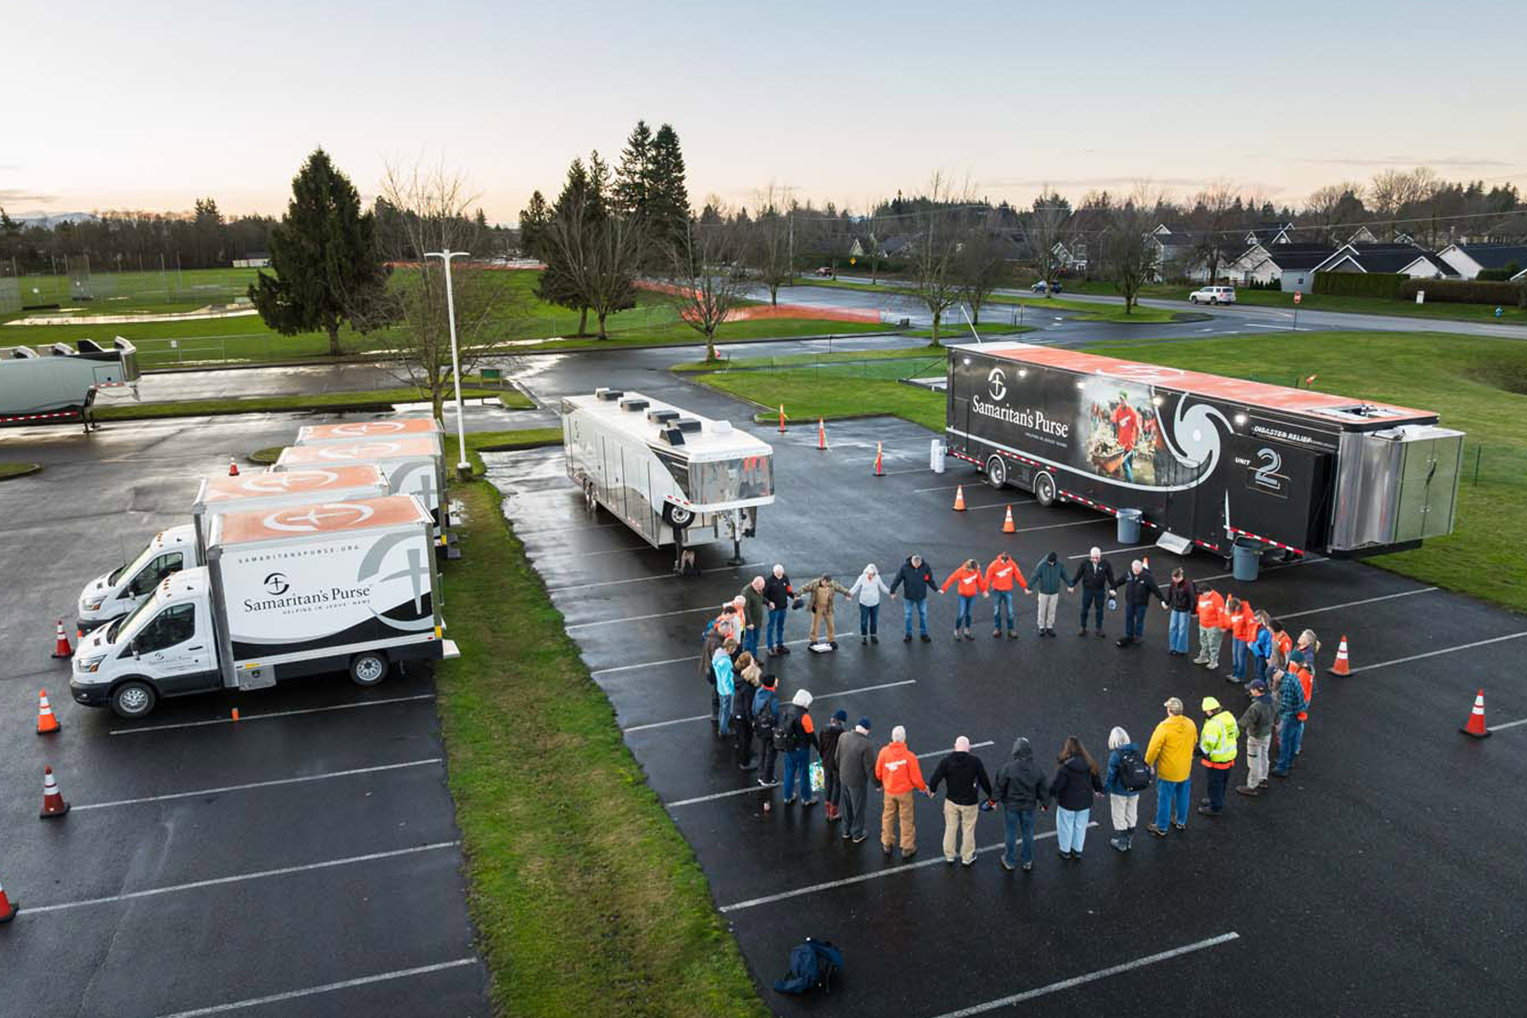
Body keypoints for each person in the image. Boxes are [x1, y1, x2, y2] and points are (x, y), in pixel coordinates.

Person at [926, 736, 993, 866]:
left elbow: (936, 777)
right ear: (969, 748)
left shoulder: (947, 761)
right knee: (968, 829)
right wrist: (992, 798)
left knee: (951, 827)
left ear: (954, 746)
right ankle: (967, 857)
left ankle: (949, 855)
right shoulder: (975, 762)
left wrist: (932, 790)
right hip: (970, 802)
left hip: (951, 801)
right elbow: (984, 781)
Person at [993, 737, 1050, 871]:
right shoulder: (1037, 769)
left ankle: (1009, 860)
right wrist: (1045, 803)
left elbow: (999, 786)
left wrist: (993, 801)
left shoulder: (1008, 768)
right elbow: (1044, 788)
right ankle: (1027, 860)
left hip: (1011, 807)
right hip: (1029, 807)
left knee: (1011, 833)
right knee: (1028, 833)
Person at [1145, 697, 1197, 837]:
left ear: (1169, 711)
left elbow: (1153, 749)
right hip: (1185, 769)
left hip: (1168, 771)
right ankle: (1181, 821)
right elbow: (1194, 741)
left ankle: (1161, 827)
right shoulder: (1190, 724)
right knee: (1183, 796)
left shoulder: (1164, 727)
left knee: (1165, 799)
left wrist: (1148, 764)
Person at [1271, 630, 1319, 778]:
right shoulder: (1306, 670)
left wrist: (1285, 712)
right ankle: (1289, 759)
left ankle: (1282, 766)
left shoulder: (1300, 676)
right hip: (1299, 711)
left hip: (1294, 710)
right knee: (1292, 735)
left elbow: (1296, 696)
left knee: (1286, 738)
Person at [875, 725, 926, 858]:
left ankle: (887, 843)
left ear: (892, 737)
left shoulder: (884, 752)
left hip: (889, 791)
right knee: (906, 819)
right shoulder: (910, 757)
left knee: (888, 817)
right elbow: (916, 778)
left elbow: (878, 772)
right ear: (904, 739)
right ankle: (907, 847)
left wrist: (883, 781)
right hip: (905, 793)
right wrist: (923, 788)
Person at [1050, 736, 1103, 860]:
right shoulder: (1090, 764)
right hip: (1084, 803)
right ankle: (1077, 850)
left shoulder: (1065, 768)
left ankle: (1065, 850)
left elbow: (1057, 786)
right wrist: (1099, 790)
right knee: (1080, 826)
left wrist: (1048, 796)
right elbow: (1097, 781)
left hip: (1066, 803)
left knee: (1065, 826)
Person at [835, 718, 877, 844]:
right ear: (867, 730)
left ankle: (845, 830)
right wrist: (877, 784)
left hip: (843, 777)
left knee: (846, 805)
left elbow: (837, 757)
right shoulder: (866, 745)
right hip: (857, 782)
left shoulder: (843, 736)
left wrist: (841, 772)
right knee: (858, 808)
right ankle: (857, 833)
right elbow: (869, 768)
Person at [1197, 696, 1240, 816]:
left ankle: (1215, 807)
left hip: (1217, 760)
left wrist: (1199, 751)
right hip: (1229, 756)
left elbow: (1208, 743)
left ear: (1210, 711)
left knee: (1214, 784)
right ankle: (1217, 800)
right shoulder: (1229, 716)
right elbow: (1236, 733)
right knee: (1223, 782)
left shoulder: (1213, 724)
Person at [1103, 726, 1144, 852]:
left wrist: (1104, 790)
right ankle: (1129, 840)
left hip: (1119, 791)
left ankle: (1122, 842)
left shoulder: (1115, 755)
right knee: (1131, 813)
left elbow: (1111, 776)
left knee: (1119, 815)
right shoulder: (1136, 751)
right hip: (1135, 788)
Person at [776, 688, 818, 805]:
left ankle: (787, 796)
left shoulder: (787, 710)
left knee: (789, 771)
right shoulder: (805, 717)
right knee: (804, 773)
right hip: (802, 749)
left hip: (789, 748)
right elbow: (811, 736)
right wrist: (819, 748)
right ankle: (806, 798)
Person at [889, 553, 940, 643]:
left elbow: (929, 580)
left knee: (923, 615)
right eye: (915, 565)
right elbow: (897, 579)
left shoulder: (925, 567)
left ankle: (923, 634)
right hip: (909, 597)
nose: (916, 566)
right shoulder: (904, 567)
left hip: (921, 597)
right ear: (912, 561)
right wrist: (892, 591)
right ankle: (908, 635)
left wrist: (936, 589)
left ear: (920, 562)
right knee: (908, 616)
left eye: (918, 565)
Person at [1236, 679, 1274, 796]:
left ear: (1257, 691)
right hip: (1267, 733)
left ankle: (1252, 785)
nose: (1250, 692)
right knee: (1264, 755)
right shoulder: (1272, 700)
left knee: (1253, 760)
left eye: (1252, 689)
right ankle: (1263, 778)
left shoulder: (1256, 707)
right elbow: (1277, 715)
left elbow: (1244, 722)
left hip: (1255, 736)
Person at [1117, 558, 1165, 648]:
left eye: (1137, 570)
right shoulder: (1129, 574)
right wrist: (1113, 587)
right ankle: (1129, 635)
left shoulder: (1147, 578)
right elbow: (1120, 581)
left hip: (1141, 604)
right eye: (1133, 569)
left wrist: (1162, 599)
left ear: (1140, 568)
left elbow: (1155, 590)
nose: (1135, 571)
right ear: (1132, 567)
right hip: (1130, 602)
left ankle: (1138, 636)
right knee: (1129, 618)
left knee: (1139, 620)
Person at [1071, 547, 1118, 638]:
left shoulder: (1106, 564)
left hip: (1100, 591)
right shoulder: (1084, 564)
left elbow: (1111, 578)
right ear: (1090, 556)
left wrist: (1113, 589)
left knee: (1099, 610)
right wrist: (1071, 585)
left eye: (1097, 558)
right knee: (1084, 609)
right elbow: (1078, 575)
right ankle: (1083, 627)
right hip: (1087, 590)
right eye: (1093, 557)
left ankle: (1099, 628)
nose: (1095, 560)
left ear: (1100, 556)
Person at [983, 552, 1030, 639]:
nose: (1006, 563)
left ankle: (1011, 629)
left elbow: (1018, 575)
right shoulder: (993, 565)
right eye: (1005, 562)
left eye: (1007, 561)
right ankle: (997, 629)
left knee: (1010, 611)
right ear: (1001, 559)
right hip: (996, 591)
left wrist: (1025, 587)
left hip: (1007, 591)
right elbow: (987, 577)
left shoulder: (1012, 564)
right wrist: (984, 590)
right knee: (996, 611)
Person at [800, 573, 852, 648]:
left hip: (828, 607)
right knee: (815, 625)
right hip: (817, 607)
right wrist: (797, 594)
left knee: (830, 625)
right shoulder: (814, 583)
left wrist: (848, 593)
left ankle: (831, 640)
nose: (827, 584)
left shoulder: (832, 584)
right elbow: (804, 588)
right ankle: (813, 641)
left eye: (828, 583)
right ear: (822, 580)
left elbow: (840, 588)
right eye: (826, 583)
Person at [941, 558, 988, 641]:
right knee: (961, 614)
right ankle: (957, 631)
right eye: (971, 570)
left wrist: (984, 591)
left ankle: (967, 630)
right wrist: (944, 588)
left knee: (969, 614)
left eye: (974, 570)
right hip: (962, 596)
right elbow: (951, 579)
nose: (972, 572)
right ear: (968, 567)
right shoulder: (960, 571)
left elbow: (980, 582)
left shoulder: (976, 571)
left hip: (972, 595)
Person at [848, 563, 894, 645]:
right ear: (866, 572)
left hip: (875, 603)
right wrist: (849, 594)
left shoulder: (877, 578)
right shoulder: (862, 578)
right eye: (869, 574)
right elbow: (856, 587)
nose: (871, 576)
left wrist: (890, 592)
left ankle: (873, 636)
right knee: (864, 621)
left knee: (874, 621)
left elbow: (882, 587)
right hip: (864, 603)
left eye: (872, 574)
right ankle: (864, 637)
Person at [732, 651, 761, 770]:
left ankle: (740, 748)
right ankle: (745, 762)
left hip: (737, 712)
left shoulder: (737, 678)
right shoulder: (748, 688)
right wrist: (752, 721)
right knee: (746, 738)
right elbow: (747, 707)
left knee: (741, 736)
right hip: (743, 715)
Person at [1030, 551, 1069, 637]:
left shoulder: (1059, 565)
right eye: (1049, 562)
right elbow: (1035, 576)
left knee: (1052, 610)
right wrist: (1029, 587)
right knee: (1042, 610)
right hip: (1043, 592)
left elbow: (1064, 575)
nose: (1051, 563)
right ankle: (1041, 627)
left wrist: (1070, 584)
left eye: (1052, 562)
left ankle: (1049, 627)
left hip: (1054, 592)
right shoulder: (1041, 565)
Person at [818, 709, 848, 821]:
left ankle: (827, 810)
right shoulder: (842, 733)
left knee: (828, 783)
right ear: (841, 721)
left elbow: (820, 746)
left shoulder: (823, 729)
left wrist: (822, 758)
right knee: (837, 786)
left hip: (826, 762)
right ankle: (833, 812)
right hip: (836, 764)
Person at [752, 675, 781, 787]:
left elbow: (753, 708)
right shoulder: (773, 697)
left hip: (760, 726)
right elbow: (775, 714)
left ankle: (761, 774)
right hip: (769, 728)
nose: (777, 680)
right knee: (771, 754)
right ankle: (767, 778)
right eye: (775, 680)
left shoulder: (759, 692)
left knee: (763, 751)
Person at [1192, 584, 1227, 671]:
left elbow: (1221, 613)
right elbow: (1199, 606)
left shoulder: (1217, 598)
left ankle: (1214, 661)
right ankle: (1204, 657)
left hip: (1213, 626)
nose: (1201, 595)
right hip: (1203, 623)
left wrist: (1222, 625)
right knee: (1203, 641)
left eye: (1202, 593)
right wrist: (1197, 612)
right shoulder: (1202, 596)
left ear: (1207, 592)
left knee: (1213, 644)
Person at [763, 564, 794, 657]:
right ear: (774, 572)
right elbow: (763, 596)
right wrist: (768, 603)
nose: (780, 575)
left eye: (781, 573)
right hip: (774, 609)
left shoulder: (785, 578)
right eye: (778, 574)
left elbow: (788, 590)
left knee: (780, 627)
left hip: (783, 607)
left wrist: (794, 597)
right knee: (771, 627)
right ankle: (770, 647)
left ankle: (780, 645)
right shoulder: (769, 581)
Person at [1164, 568, 1196, 656]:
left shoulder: (1188, 584)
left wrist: (1193, 611)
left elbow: (1193, 598)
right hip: (1175, 608)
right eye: (1173, 579)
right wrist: (1167, 602)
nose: (1174, 581)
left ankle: (1181, 649)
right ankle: (1173, 647)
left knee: (1182, 630)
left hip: (1184, 610)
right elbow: (1170, 593)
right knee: (1172, 628)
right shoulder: (1173, 583)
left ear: (1180, 577)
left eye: (1175, 579)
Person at [1226, 596, 1257, 684]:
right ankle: (1235, 673)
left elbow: (1251, 627)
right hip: (1236, 636)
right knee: (1234, 655)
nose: (1237, 610)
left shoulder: (1248, 612)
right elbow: (1231, 622)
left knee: (1241, 657)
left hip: (1243, 638)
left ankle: (1240, 676)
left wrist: (1249, 640)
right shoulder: (1234, 611)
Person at [711, 638, 737, 737]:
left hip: (720, 688)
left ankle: (722, 727)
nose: (734, 651)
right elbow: (727, 680)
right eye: (734, 649)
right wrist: (732, 691)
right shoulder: (726, 662)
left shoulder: (717, 655)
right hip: (726, 691)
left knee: (722, 709)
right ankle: (723, 730)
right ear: (730, 648)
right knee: (726, 712)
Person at [739, 577, 767, 657]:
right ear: (755, 584)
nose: (761, 590)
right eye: (760, 588)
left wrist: (768, 603)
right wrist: (749, 623)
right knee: (749, 642)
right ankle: (747, 660)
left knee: (755, 640)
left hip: (757, 622)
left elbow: (760, 598)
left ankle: (753, 658)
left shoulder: (758, 590)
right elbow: (745, 609)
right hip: (750, 624)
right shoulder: (746, 592)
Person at [1250, 610, 1275, 684]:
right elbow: (1255, 639)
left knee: (1260, 671)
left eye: (1257, 620)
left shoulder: (1267, 630)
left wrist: (1267, 656)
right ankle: (1256, 687)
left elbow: (1268, 644)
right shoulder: (1257, 627)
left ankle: (1261, 687)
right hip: (1257, 652)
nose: (1255, 621)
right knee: (1256, 670)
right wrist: (1252, 645)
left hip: (1262, 654)